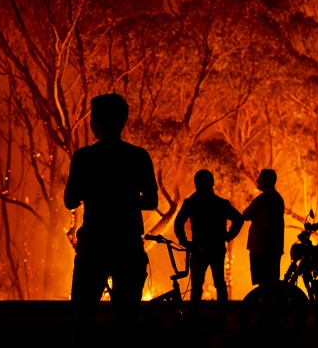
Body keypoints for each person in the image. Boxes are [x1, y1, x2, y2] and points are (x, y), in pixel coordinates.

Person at [64, 93, 159, 342]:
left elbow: (69, 201)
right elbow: (151, 201)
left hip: (94, 242)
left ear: (97, 122)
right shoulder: (138, 156)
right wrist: (125, 199)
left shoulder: (84, 157)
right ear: (122, 121)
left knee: (83, 316)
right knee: (128, 319)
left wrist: (95, 193)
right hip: (127, 243)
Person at [173, 169, 244, 306]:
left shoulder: (192, 202)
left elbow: (178, 222)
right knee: (219, 283)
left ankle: (194, 317)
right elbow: (238, 219)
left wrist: (184, 242)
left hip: (198, 248)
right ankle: (222, 316)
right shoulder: (220, 203)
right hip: (216, 247)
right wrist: (228, 236)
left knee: (197, 286)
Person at [242, 168, 285, 287]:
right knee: (272, 282)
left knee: (262, 283)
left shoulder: (262, 199)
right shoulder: (278, 199)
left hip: (260, 247)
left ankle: (263, 305)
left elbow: (245, 215)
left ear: (267, 181)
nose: (257, 180)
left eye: (260, 178)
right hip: (275, 248)